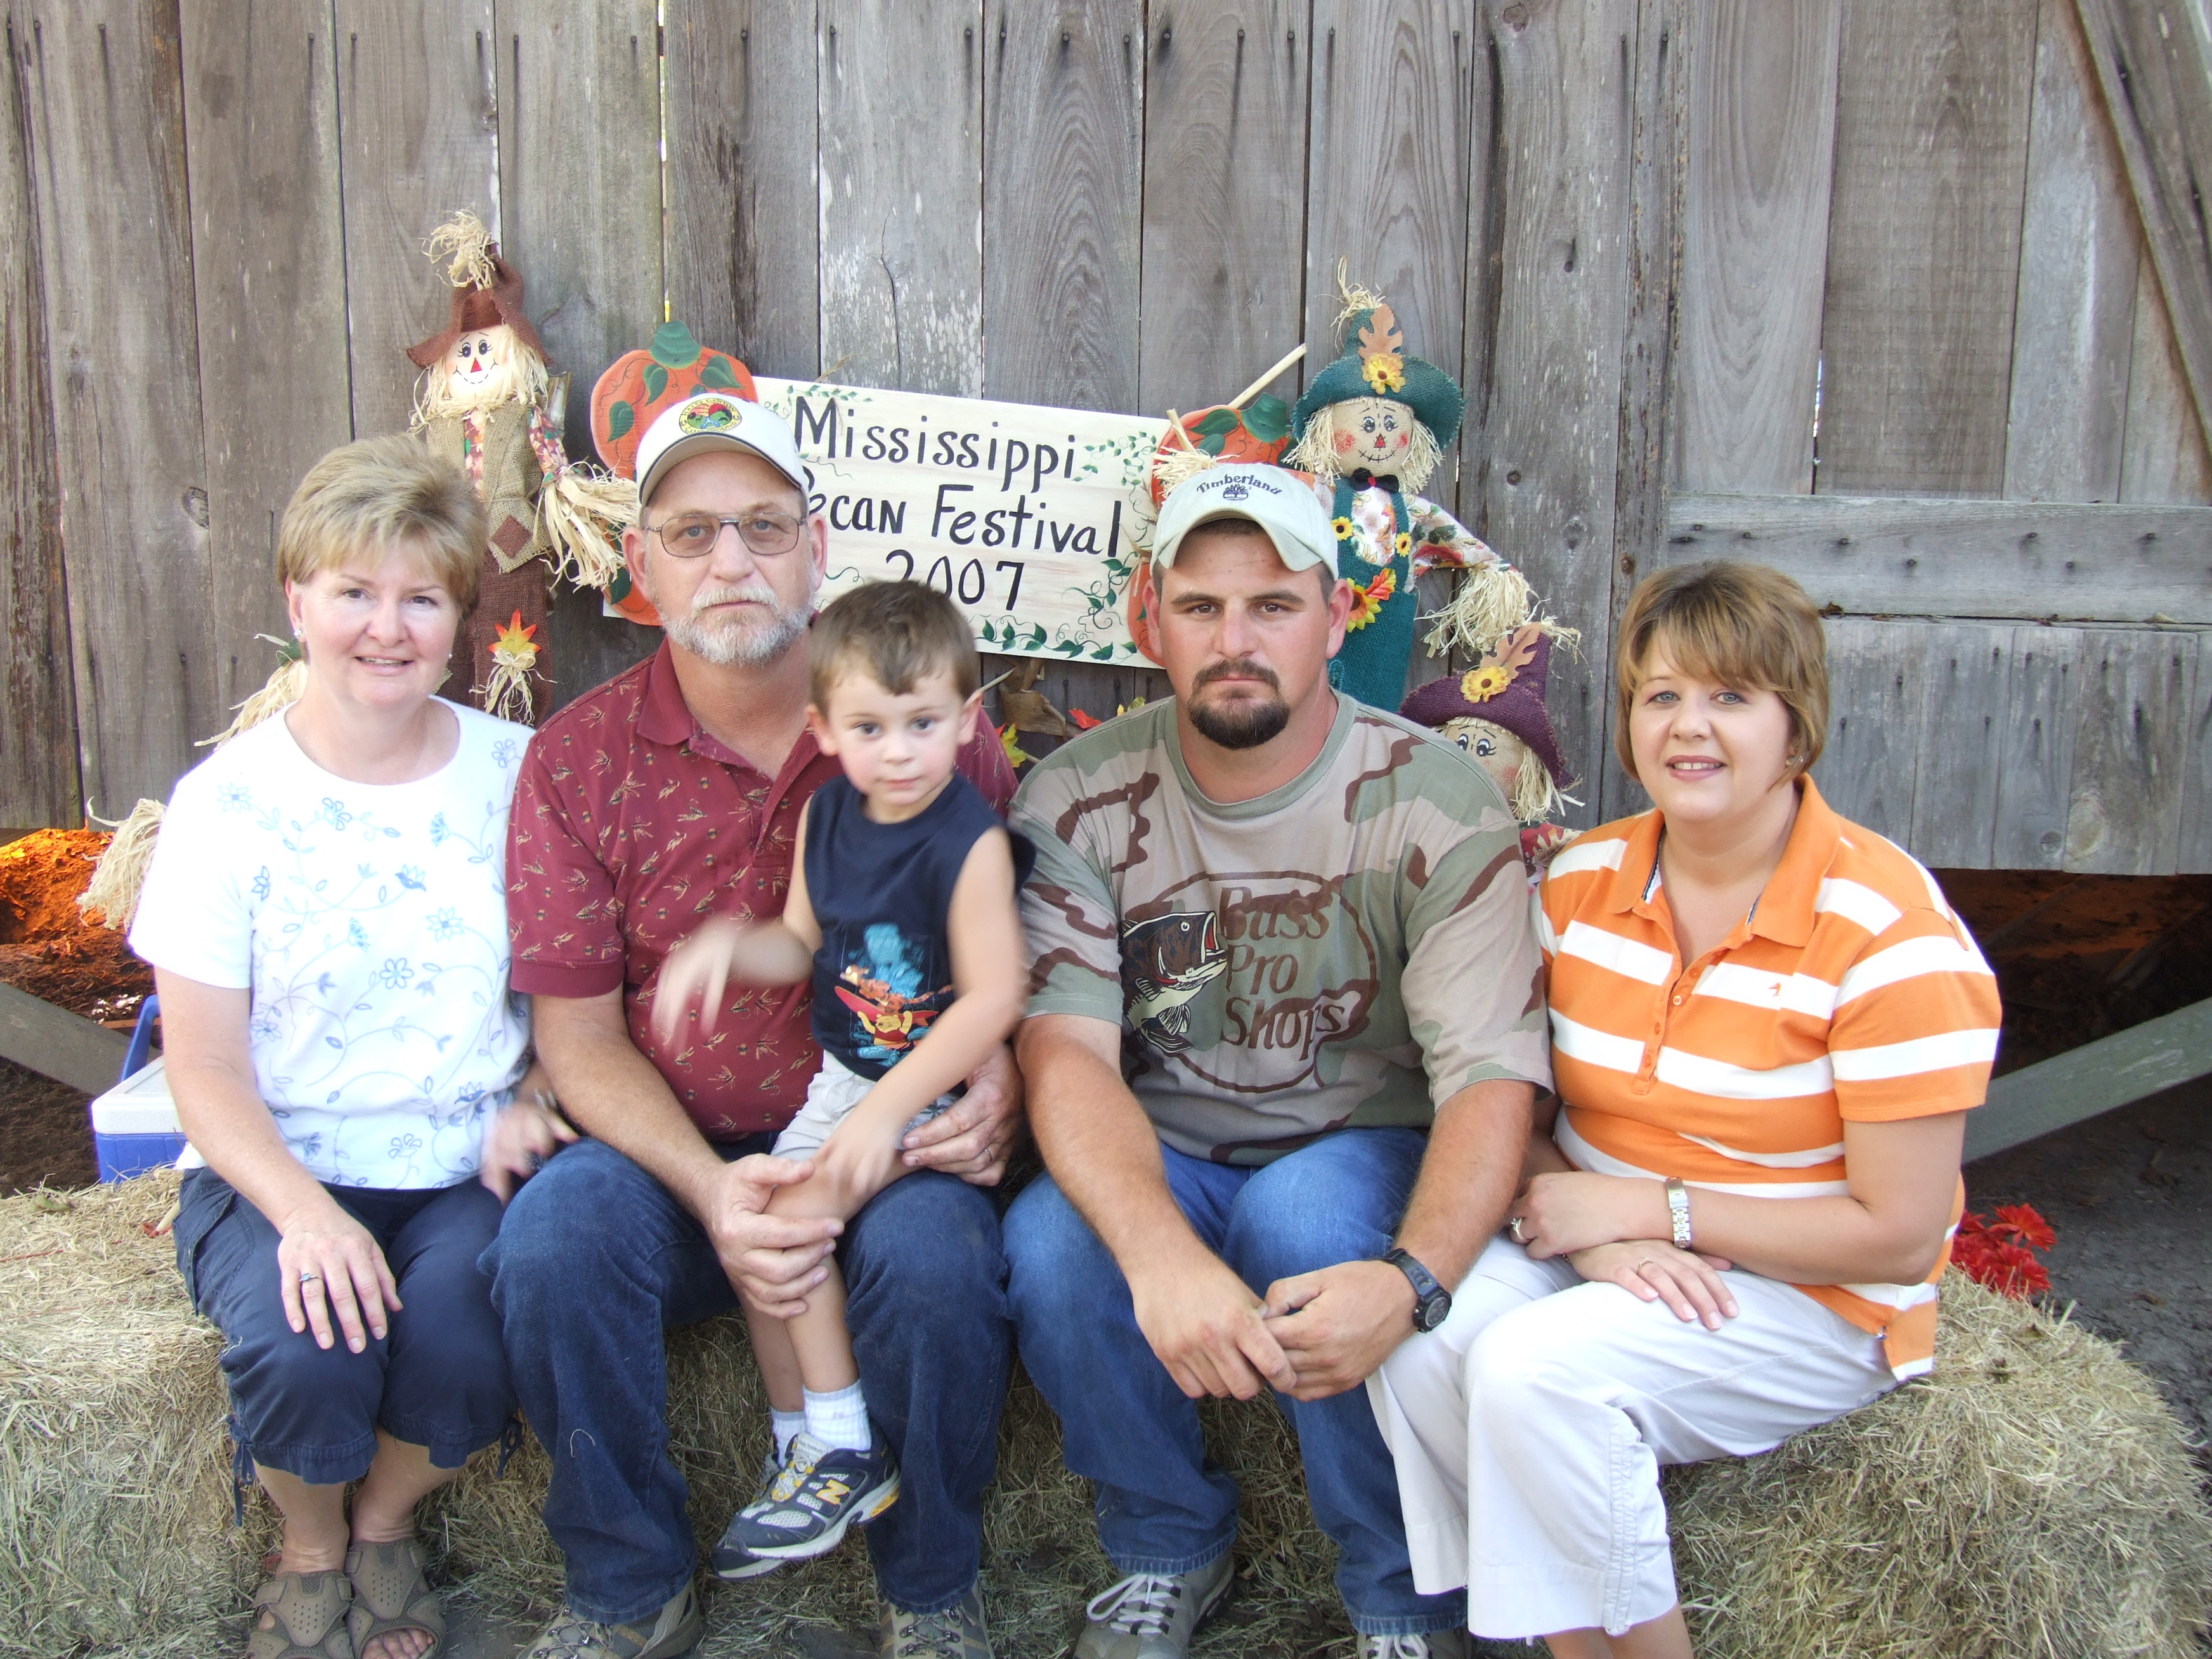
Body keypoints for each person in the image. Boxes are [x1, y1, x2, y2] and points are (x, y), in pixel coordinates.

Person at [1364, 562, 2003, 1657]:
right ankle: (1542, 1636)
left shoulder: (1892, 936)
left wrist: (1655, 1214)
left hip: (1818, 1293)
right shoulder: (1578, 882)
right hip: (1606, 1232)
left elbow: (1898, 1233)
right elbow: (1512, 1101)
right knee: (1417, 1333)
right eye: (1661, 696)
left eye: (1730, 698)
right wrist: (1592, 1225)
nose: (1688, 728)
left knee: (1533, 1374)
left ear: (1796, 731)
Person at [486, 392, 1024, 1659]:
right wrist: (715, 1193)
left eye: (763, 527)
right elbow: (578, 1038)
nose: (730, 561)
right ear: (640, 566)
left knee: (942, 1264)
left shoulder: (928, 741)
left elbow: (1002, 960)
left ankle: (930, 1587)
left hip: (878, 1135)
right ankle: (626, 1591)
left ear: (815, 546)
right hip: (670, 1156)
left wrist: (996, 1073)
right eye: (690, 532)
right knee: (551, 1245)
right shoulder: (575, 764)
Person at [1005, 462, 1551, 1659]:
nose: (1235, 639)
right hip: (1172, 1146)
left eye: (1274, 604)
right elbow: (1067, 1055)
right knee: (1050, 1244)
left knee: (1308, 1227)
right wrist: (1156, 1257)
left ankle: (1402, 1593)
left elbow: (1492, 1076)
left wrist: (1413, 1280)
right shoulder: (1080, 795)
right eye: (1201, 607)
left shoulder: (1440, 799)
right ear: (1149, 618)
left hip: (1357, 1142)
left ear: (1339, 614)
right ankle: (1164, 1543)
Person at [134, 435, 562, 1659]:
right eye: (353, 593)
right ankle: (310, 1545)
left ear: (459, 618)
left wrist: (537, 1087)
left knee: (472, 1338)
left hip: (461, 1165)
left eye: (421, 597)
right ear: (297, 602)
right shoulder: (226, 805)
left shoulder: (517, 777)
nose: (387, 628)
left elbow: (572, 987)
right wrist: (305, 1214)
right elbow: (203, 1065)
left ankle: (382, 1524)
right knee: (304, 1342)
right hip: (276, 1164)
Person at [651, 580, 1029, 1564]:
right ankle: (803, 1446)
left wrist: (889, 1111)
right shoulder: (829, 823)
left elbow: (993, 999)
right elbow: (800, 944)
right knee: (757, 1228)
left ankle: (844, 1446)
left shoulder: (969, 844)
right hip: (846, 1077)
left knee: (790, 1224)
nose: (898, 750)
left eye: (923, 722)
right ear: (823, 728)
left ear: (967, 719)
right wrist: (728, 949)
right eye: (870, 725)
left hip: (929, 1090)